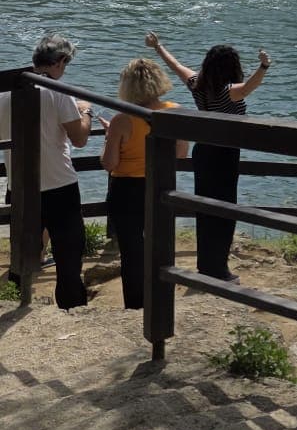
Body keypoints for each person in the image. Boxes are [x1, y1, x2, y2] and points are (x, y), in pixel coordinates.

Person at [145, 33, 272, 281]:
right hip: (224, 153)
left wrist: (159, 47)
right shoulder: (228, 92)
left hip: (203, 151)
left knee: (205, 209)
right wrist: (264, 66)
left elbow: (176, 66)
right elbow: (249, 87)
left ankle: (206, 264)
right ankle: (218, 268)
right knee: (224, 210)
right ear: (231, 67)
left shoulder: (197, 85)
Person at [0, 34, 92, 307]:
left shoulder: (6, 92)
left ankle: (17, 301)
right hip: (58, 183)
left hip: (19, 184)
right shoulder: (59, 92)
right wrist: (85, 111)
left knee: (23, 250)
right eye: (66, 63)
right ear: (60, 62)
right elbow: (79, 138)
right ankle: (71, 304)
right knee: (69, 250)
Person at [100, 58, 188, 308]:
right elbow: (181, 155)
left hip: (126, 191)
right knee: (160, 245)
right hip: (160, 185)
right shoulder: (176, 111)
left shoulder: (121, 120)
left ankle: (135, 305)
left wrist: (109, 137)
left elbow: (109, 164)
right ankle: (160, 300)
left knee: (131, 251)